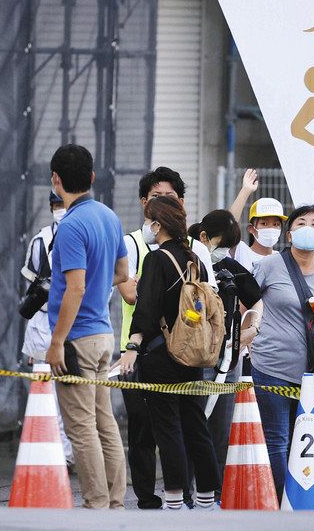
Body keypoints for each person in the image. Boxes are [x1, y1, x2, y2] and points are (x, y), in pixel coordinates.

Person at [116, 166, 215, 509]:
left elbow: (145, 308)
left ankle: (173, 495)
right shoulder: (193, 259)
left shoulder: (158, 259)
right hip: (192, 355)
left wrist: (133, 345)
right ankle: (205, 495)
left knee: (167, 426)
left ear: (158, 225)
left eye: (152, 222)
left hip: (160, 354)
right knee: (195, 424)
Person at [45, 144, 128, 509]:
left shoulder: (70, 226)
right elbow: (124, 274)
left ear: (56, 180)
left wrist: (56, 342)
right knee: (104, 422)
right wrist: (98, 284)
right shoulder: (109, 217)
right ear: (92, 178)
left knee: (81, 427)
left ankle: (96, 504)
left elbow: (74, 288)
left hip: (76, 338)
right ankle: (115, 501)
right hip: (103, 334)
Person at [251, 203, 314, 498]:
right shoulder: (269, 266)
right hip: (271, 365)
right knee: (277, 439)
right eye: (301, 223)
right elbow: (248, 305)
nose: (308, 228)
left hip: (313, 373)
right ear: (290, 234)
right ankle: (283, 501)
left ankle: (303, 499)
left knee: (304, 438)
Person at [189, 209, 263, 485]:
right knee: (194, 428)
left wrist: (251, 329)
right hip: (193, 360)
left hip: (228, 361)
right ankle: (187, 491)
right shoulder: (185, 264)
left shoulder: (228, 268)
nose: (225, 252)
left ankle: (216, 490)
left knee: (220, 431)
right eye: (222, 245)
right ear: (205, 237)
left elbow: (256, 300)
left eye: (230, 247)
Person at [20, 191, 73, 465]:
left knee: (72, 391)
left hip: (75, 320)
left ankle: (69, 452)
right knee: (46, 393)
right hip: (43, 323)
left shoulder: (81, 234)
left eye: (62, 204)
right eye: (55, 205)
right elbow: (32, 287)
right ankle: (57, 454)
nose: (59, 209)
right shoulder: (41, 239)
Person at [229, 169, 288, 271]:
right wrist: (245, 191)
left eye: (276, 224)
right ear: (251, 229)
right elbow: (228, 227)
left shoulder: (284, 260)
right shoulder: (241, 251)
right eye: (264, 223)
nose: (270, 228)